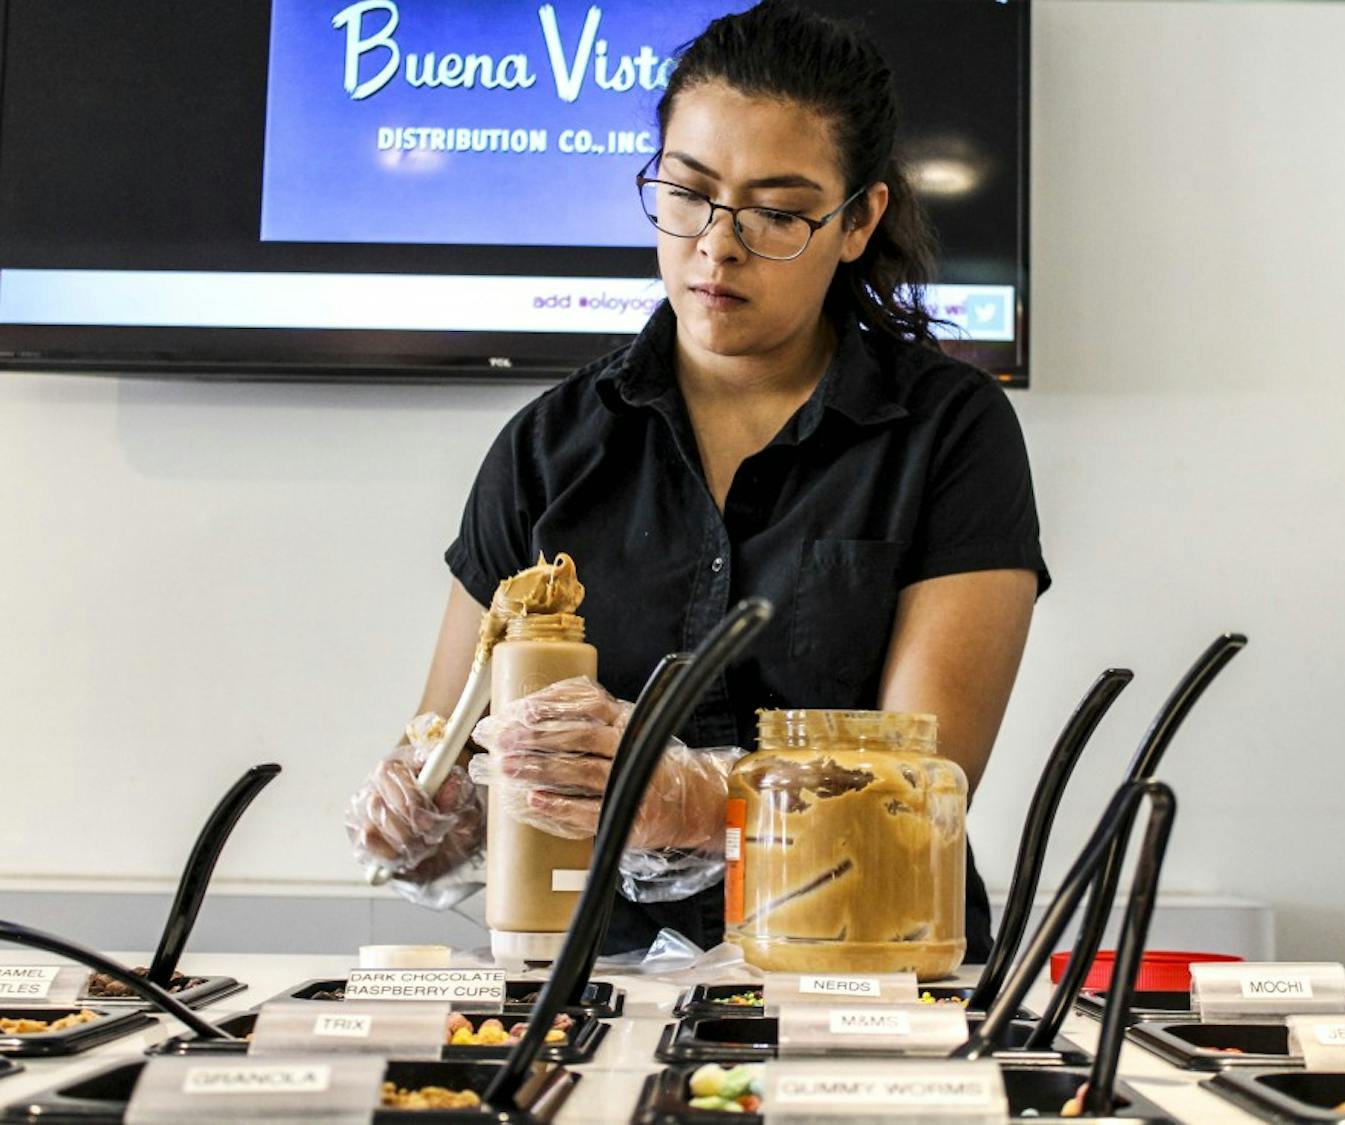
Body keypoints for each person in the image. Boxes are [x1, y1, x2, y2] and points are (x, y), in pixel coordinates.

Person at [348, 0, 1049, 962]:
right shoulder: (547, 449)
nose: (718, 245)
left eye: (777, 212)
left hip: (865, 971)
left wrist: (696, 794)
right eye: (687, 194)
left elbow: (926, 774)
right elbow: (458, 742)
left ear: (858, 222)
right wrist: (435, 816)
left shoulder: (948, 433)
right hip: (596, 981)